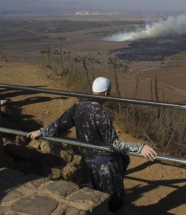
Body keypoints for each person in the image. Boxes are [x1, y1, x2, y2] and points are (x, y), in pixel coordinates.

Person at [27, 77, 157, 212]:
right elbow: (113, 144)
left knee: (93, 200)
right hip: (106, 167)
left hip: (87, 164)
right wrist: (140, 148)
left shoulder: (78, 106)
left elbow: (59, 125)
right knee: (114, 202)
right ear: (106, 93)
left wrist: (40, 132)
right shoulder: (101, 114)